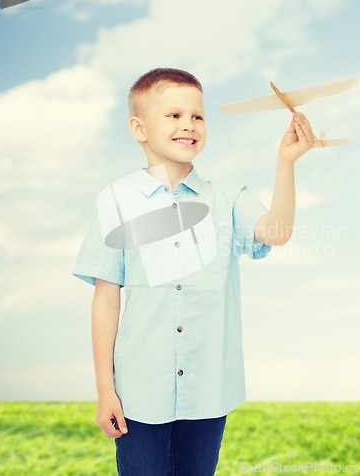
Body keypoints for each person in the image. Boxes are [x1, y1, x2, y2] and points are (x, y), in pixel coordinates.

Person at [72, 67, 315, 475]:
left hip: (207, 390)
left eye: (198, 116)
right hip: (139, 391)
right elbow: (106, 298)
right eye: (174, 115)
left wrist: (286, 162)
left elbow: (276, 232)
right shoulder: (115, 201)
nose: (189, 125)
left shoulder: (228, 198)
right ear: (139, 128)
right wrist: (104, 389)